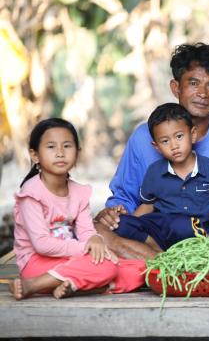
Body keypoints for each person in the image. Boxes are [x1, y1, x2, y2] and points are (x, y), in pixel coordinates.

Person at [94, 43, 209, 259]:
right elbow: (128, 195)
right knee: (97, 229)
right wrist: (114, 214)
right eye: (193, 83)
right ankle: (169, 264)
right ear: (176, 88)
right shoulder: (143, 137)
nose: (202, 93)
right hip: (155, 235)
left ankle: (160, 265)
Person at [9, 118, 145, 300]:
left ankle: (73, 285)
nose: (59, 153)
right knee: (107, 267)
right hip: (37, 263)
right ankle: (34, 285)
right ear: (35, 155)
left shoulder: (79, 192)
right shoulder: (31, 193)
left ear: (77, 153)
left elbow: (86, 231)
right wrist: (88, 249)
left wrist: (95, 239)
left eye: (67, 146)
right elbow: (42, 244)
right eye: (51, 147)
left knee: (138, 269)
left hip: (73, 260)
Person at [114, 103, 209, 251]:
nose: (174, 146)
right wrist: (130, 222)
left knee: (181, 224)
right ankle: (158, 252)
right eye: (165, 141)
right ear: (156, 146)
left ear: (192, 135)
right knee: (120, 223)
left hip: (194, 231)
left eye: (179, 136)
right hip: (162, 229)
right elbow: (148, 205)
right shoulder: (154, 172)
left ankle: (172, 251)